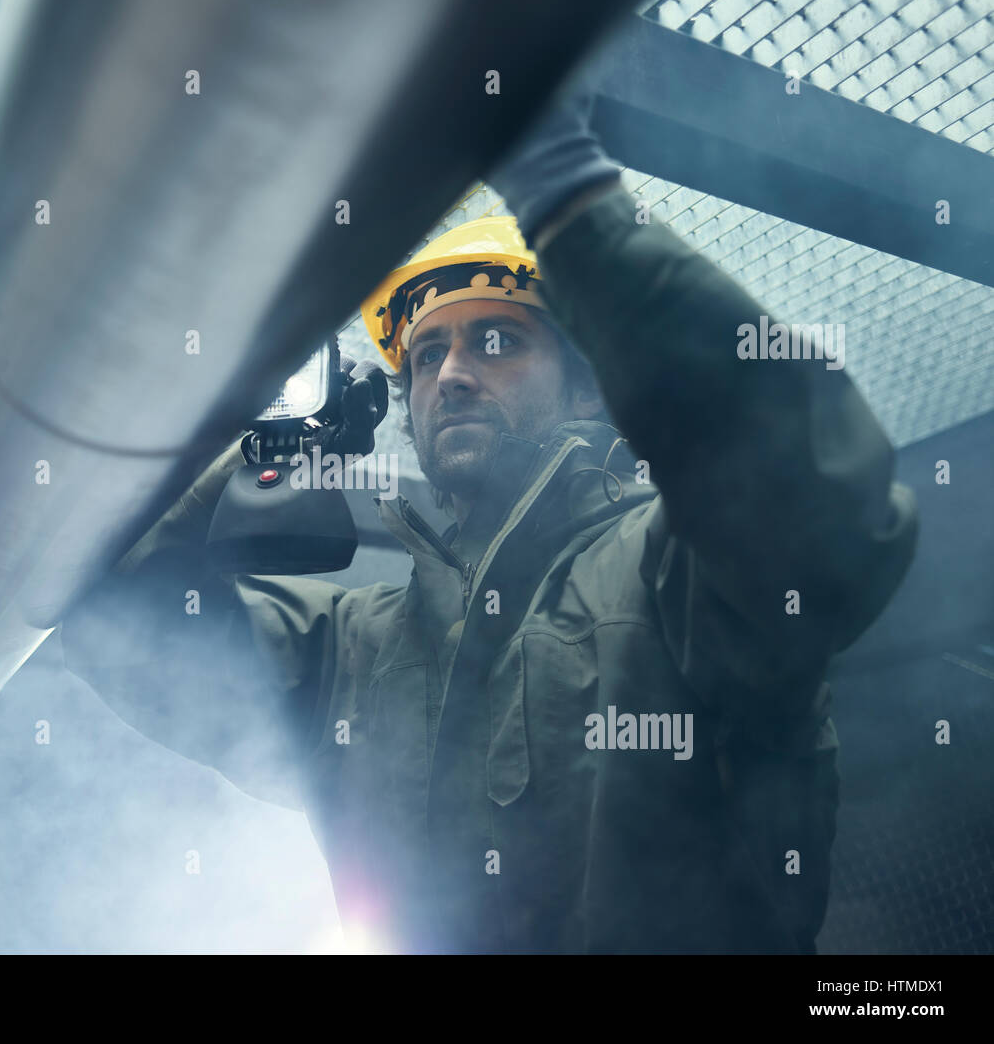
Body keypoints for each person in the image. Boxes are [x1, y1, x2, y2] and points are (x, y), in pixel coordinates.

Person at [59, 84, 918, 953]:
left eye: (497, 341)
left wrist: (575, 208)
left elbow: (826, 502)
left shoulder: (671, 577)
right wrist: (252, 444)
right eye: (427, 354)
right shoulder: (360, 649)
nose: (452, 377)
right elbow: (117, 618)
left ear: (588, 384)